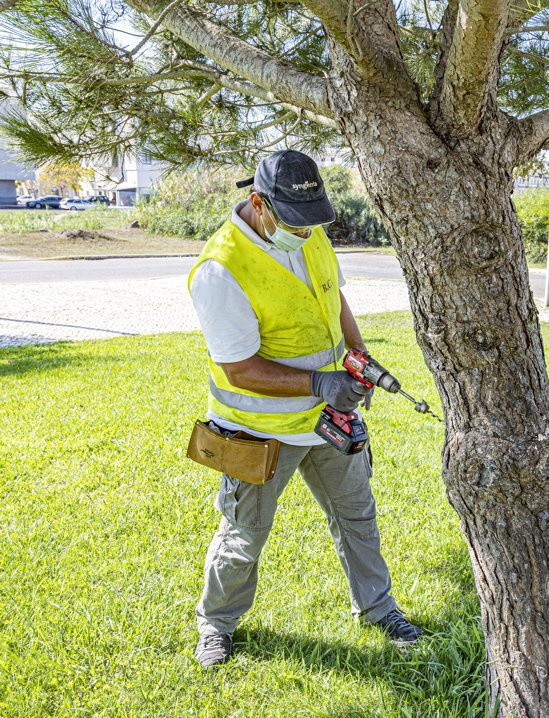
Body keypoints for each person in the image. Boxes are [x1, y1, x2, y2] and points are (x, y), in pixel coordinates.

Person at [188, 149, 423, 668]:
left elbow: (334, 299)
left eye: (311, 222)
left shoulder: (307, 230)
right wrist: (319, 382)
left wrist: (358, 356)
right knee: (243, 536)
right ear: (259, 204)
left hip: (329, 421)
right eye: (294, 223)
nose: (305, 232)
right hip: (259, 432)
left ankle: (379, 609)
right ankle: (216, 624)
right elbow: (239, 370)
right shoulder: (221, 270)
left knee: (357, 517)